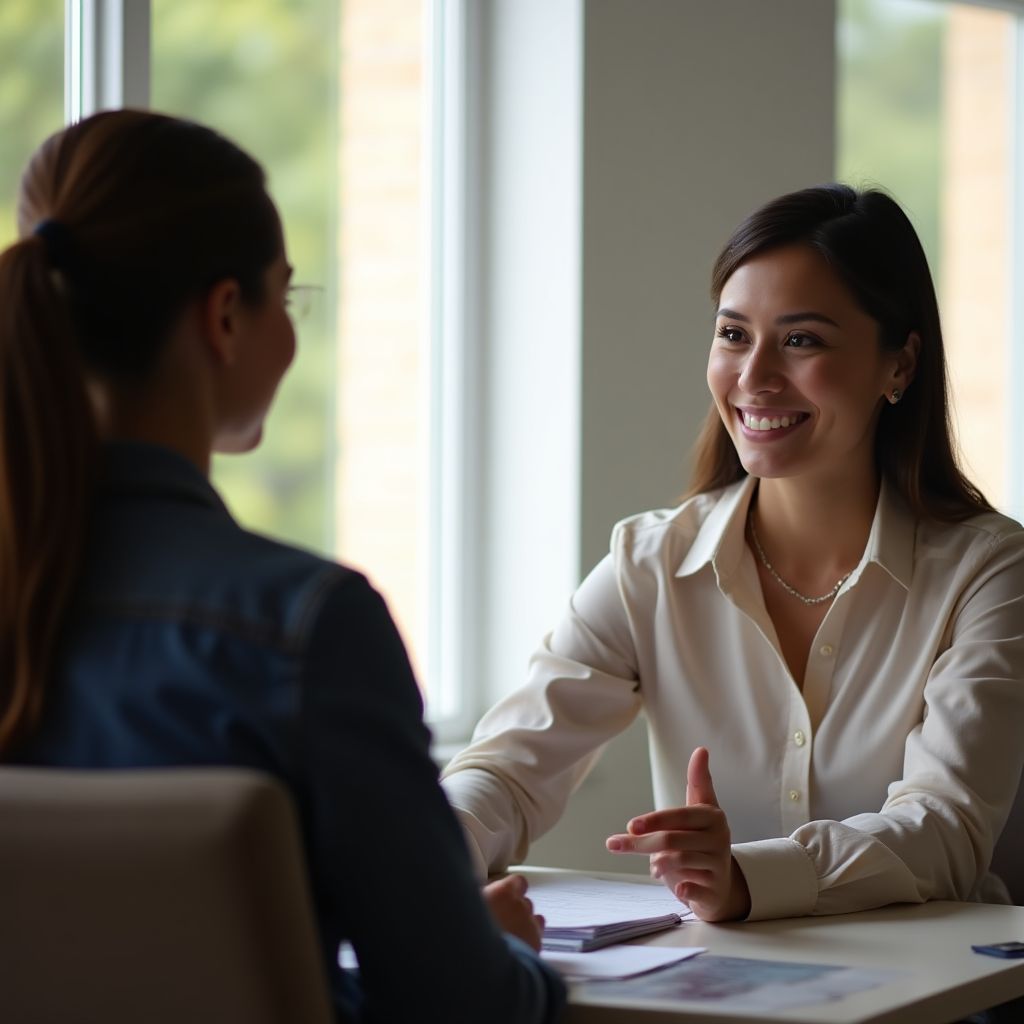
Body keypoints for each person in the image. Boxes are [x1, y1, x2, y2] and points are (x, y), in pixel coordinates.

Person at [0, 109, 564, 1024]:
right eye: (287, 297)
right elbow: (460, 1007)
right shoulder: (306, 628)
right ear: (225, 315)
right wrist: (501, 956)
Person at [442, 184, 1024, 927]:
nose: (754, 378)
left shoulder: (990, 572)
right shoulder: (649, 564)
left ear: (899, 366)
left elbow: (946, 830)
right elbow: (508, 770)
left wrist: (747, 877)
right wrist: (430, 852)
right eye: (733, 334)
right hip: (717, 988)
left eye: (803, 340)